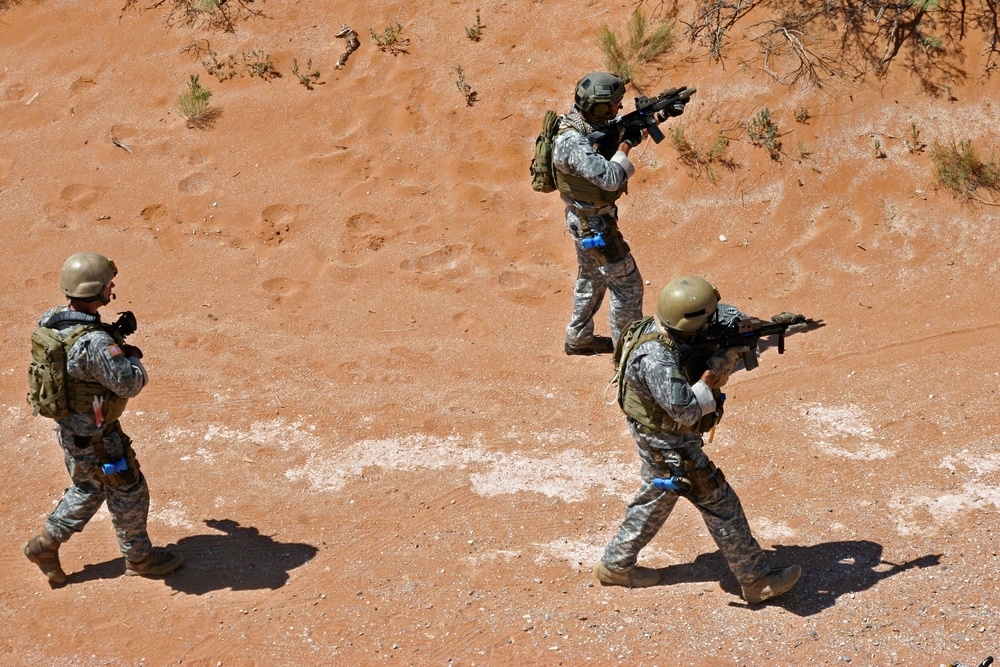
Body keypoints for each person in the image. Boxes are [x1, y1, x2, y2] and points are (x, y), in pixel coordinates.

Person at [593, 275, 801, 603]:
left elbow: (720, 317)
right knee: (719, 502)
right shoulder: (656, 360)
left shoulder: (664, 325)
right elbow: (687, 411)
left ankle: (615, 564)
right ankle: (756, 579)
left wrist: (741, 333)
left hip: (656, 437)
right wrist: (718, 367)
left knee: (658, 494)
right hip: (669, 442)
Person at [23, 252, 183, 584]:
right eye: (108, 284)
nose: (112, 288)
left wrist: (111, 337)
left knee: (89, 487)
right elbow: (129, 384)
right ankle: (139, 559)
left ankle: (45, 544)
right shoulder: (96, 343)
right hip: (99, 437)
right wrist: (130, 355)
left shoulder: (51, 319)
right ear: (95, 290)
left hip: (71, 428)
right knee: (129, 489)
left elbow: (77, 362)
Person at [552, 72, 685, 355]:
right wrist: (627, 144)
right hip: (594, 226)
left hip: (587, 219)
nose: (619, 108)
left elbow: (620, 132)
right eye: (613, 104)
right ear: (599, 107)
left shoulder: (584, 124)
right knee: (628, 286)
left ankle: (578, 338)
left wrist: (659, 116)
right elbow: (611, 177)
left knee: (592, 277)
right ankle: (629, 355)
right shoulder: (572, 141)